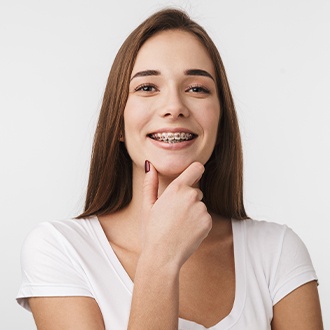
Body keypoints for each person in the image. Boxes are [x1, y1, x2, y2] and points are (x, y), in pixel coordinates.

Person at [17, 8, 323, 330]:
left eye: (197, 88)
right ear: (118, 124)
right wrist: (160, 258)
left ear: (220, 121)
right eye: (148, 88)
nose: (175, 107)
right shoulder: (60, 249)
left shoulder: (277, 252)